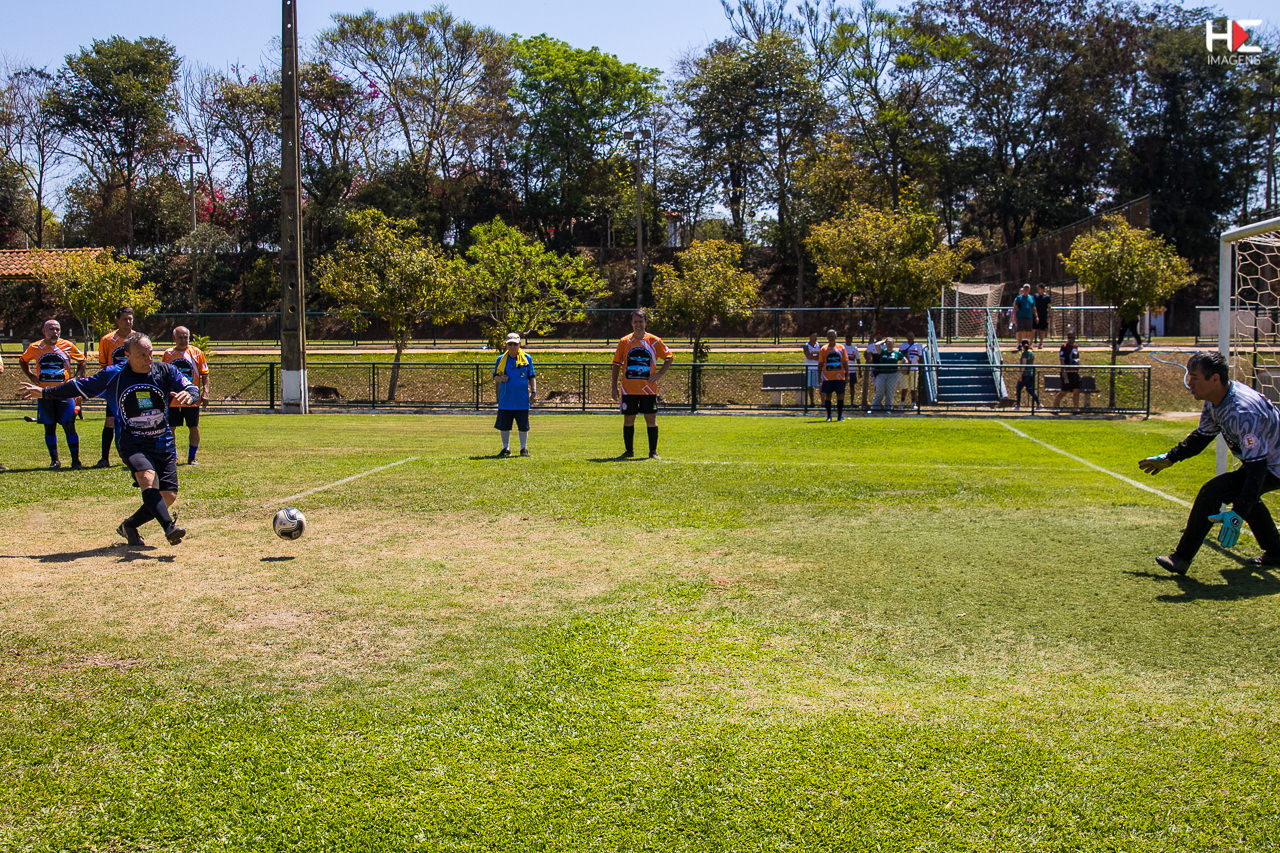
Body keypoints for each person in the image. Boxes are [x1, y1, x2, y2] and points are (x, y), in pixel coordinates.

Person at [20, 332, 199, 547]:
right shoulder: (113, 375)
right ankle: (169, 528)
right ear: (127, 356)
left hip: (163, 442)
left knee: (168, 496)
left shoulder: (165, 370)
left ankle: (129, 526)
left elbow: (190, 386)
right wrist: (45, 392)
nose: (148, 359)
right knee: (147, 478)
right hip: (132, 442)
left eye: (150, 353)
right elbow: (78, 386)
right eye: (142, 355)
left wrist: (191, 394)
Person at [1139, 350, 1280, 576]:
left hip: (1272, 465)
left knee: (1213, 492)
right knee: (1243, 492)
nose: (1189, 383)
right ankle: (1276, 551)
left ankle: (1181, 558)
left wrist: (1238, 513)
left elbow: (1257, 470)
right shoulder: (1216, 400)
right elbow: (1202, 437)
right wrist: (1170, 457)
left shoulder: (1242, 411)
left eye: (1195, 377)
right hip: (1265, 462)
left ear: (1215, 379)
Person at [19, 319, 86, 469]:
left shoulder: (67, 346)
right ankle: (55, 461)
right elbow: (23, 360)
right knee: (49, 427)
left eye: (57, 329)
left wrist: (76, 376)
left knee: (69, 425)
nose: (55, 332)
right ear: (44, 331)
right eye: (51, 329)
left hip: (64, 393)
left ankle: (76, 461)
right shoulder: (35, 347)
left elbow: (82, 360)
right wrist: (31, 376)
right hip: (44, 394)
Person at [611, 309, 673, 459]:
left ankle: (653, 452)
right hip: (628, 389)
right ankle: (629, 451)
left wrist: (659, 374)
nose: (638, 325)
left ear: (645, 322)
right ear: (631, 323)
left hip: (648, 389)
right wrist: (613, 387)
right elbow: (616, 364)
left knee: (651, 419)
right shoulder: (624, 342)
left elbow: (669, 357)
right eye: (635, 322)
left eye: (641, 321)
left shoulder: (654, 341)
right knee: (628, 419)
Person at [161, 325, 210, 465]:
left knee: (193, 427)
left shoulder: (197, 353)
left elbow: (205, 374)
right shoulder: (168, 354)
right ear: (174, 338)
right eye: (180, 337)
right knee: (170, 428)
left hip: (191, 398)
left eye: (186, 337)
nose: (183, 340)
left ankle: (192, 457)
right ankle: (173, 457)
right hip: (173, 398)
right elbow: (163, 375)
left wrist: (205, 392)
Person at [95, 305, 134, 467]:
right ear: (117, 320)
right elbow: (104, 364)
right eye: (125, 319)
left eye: (130, 319)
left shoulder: (137, 338)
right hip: (115, 387)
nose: (128, 322)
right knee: (109, 421)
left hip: (134, 386)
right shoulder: (107, 340)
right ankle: (104, 458)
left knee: (134, 420)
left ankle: (134, 456)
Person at [493, 332, 537, 457]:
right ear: (506, 345)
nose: (512, 347)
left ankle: (523, 448)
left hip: (522, 400)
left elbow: (532, 376)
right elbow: (495, 376)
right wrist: (501, 378)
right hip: (506, 399)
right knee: (504, 426)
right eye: (510, 344)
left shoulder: (527, 358)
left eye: (515, 344)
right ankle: (506, 448)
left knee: (523, 426)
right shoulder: (501, 359)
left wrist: (534, 391)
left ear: (519, 344)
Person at [816, 329, 848, 421]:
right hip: (827, 377)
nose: (831, 337)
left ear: (836, 336)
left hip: (839, 376)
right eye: (829, 336)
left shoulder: (841, 348)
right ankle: (829, 416)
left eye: (833, 335)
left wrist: (847, 375)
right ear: (827, 337)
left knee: (840, 395)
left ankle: (840, 416)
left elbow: (845, 362)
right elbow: (820, 364)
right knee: (828, 396)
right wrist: (819, 377)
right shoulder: (823, 349)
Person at [870, 336, 903, 413]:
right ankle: (875, 407)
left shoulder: (897, 353)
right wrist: (884, 340)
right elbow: (876, 345)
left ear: (894, 344)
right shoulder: (882, 352)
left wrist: (900, 369)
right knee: (879, 391)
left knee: (890, 392)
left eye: (891, 343)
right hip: (881, 374)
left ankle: (888, 408)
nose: (889, 345)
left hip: (892, 375)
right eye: (888, 343)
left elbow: (905, 360)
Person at [1052, 332, 1081, 411]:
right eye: (1070, 338)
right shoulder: (1064, 347)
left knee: (1076, 390)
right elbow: (1062, 360)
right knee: (1064, 391)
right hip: (1067, 372)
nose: (1072, 339)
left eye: (1073, 338)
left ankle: (1076, 408)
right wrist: (1063, 371)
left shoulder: (1075, 347)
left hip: (1075, 372)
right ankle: (1054, 407)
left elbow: (1077, 358)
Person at [897, 331, 924, 409]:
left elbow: (920, 357)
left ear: (914, 337)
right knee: (904, 386)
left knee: (913, 387)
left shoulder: (917, 346)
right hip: (905, 369)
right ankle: (902, 402)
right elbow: (899, 356)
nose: (910, 338)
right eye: (909, 336)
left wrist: (921, 367)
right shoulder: (903, 345)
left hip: (914, 368)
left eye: (912, 336)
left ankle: (913, 402)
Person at [1014, 339, 1040, 409]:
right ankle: (1038, 403)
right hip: (1030, 373)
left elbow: (1024, 365)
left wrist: (1020, 375)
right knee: (1030, 390)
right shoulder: (1032, 353)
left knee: (1018, 388)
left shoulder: (1025, 353)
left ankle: (1018, 405)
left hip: (1025, 374)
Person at [803, 332, 821, 407]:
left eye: (816, 336)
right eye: (813, 336)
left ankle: (822, 403)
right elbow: (808, 356)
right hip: (809, 368)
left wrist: (814, 354)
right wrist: (816, 355)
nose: (815, 338)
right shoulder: (806, 346)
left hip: (818, 368)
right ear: (810, 337)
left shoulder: (819, 345)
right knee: (810, 387)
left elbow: (821, 355)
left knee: (821, 385)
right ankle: (812, 402)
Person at [843, 332, 861, 407]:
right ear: (845, 340)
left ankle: (852, 402)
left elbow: (858, 359)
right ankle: (841, 402)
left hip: (852, 370)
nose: (849, 340)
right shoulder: (843, 347)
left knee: (852, 387)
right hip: (844, 371)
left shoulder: (854, 348)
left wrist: (860, 371)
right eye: (847, 339)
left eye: (850, 339)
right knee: (842, 387)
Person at [1033, 284, 1051, 349]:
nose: (1038, 290)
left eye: (1039, 288)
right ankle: (1031, 343)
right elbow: (1033, 306)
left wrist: (1049, 316)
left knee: (1042, 330)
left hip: (1044, 315)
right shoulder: (1035, 296)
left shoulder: (1047, 297)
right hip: (1036, 315)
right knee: (1033, 329)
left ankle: (1041, 343)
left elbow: (1049, 307)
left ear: (1042, 289)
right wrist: (1035, 315)